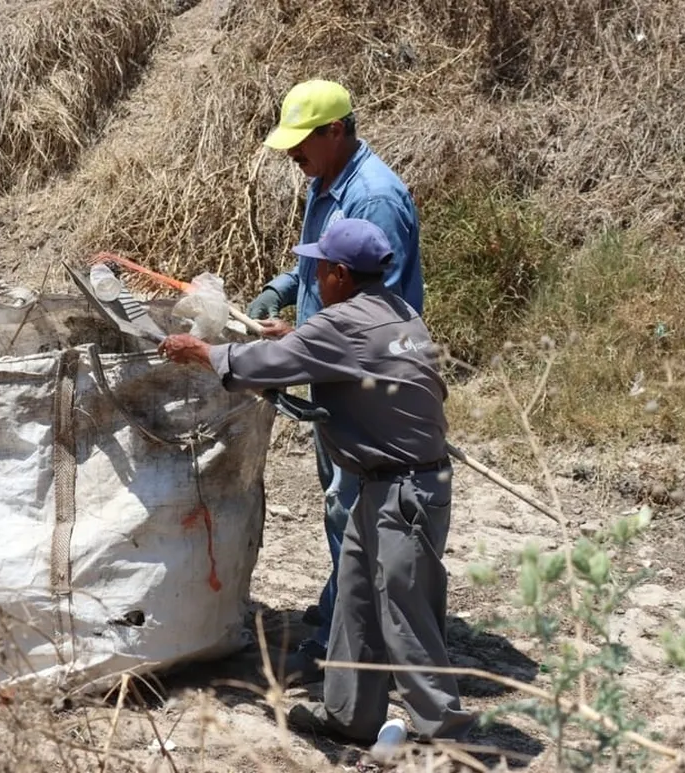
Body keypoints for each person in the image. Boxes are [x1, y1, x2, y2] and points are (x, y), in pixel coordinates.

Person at [158, 219, 473, 744]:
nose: (317, 275)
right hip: (394, 485)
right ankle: (350, 716)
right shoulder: (398, 315)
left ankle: (449, 736)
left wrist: (203, 353)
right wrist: (298, 341)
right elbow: (342, 360)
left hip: (403, 492)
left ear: (340, 274)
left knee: (404, 613)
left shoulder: (343, 325)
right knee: (355, 600)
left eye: (320, 267)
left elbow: (266, 364)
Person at [246, 79, 425, 676]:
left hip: (367, 384)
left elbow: (379, 307)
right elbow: (320, 264)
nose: (292, 155)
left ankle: (347, 643)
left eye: (302, 143)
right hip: (332, 374)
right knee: (340, 506)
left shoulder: (373, 198)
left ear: (336, 131)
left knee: (357, 511)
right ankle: (346, 623)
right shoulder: (325, 183)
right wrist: (278, 293)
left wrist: (301, 344)